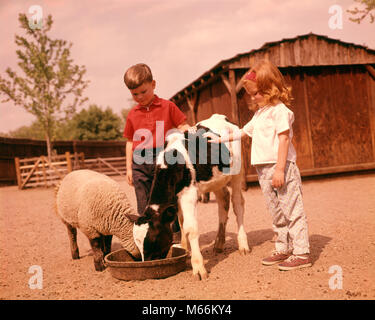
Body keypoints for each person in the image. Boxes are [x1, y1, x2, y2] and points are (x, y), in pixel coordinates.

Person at [204, 60, 311, 271]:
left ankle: (301, 252)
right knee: (276, 211)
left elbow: (284, 139)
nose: (252, 98)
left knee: (292, 209)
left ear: (269, 88)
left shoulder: (280, 111)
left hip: (281, 167)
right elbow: (243, 132)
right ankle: (283, 247)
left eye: (256, 93)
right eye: (251, 94)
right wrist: (217, 140)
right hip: (263, 169)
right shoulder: (260, 114)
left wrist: (280, 168)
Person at [123, 63, 189, 240]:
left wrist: (183, 140)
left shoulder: (168, 107)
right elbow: (130, 141)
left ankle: (174, 237)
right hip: (139, 162)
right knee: (143, 203)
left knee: (167, 200)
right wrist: (129, 168)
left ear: (153, 84)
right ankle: (148, 237)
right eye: (134, 94)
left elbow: (184, 126)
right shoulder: (132, 114)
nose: (139, 97)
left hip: (164, 160)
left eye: (143, 91)